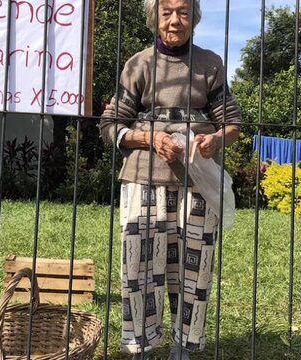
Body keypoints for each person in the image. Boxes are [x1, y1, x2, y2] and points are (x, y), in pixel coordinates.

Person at [99, 0, 242, 359]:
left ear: (193, 19)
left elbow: (233, 122)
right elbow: (110, 125)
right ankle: (141, 345)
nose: (175, 20)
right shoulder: (139, 63)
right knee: (139, 266)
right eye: (167, 12)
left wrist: (216, 140)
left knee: (193, 266)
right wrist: (149, 138)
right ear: (154, 18)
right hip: (143, 176)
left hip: (196, 180)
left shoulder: (210, 64)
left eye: (182, 12)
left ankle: (184, 345)